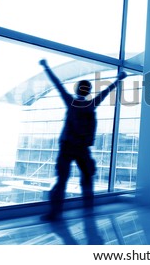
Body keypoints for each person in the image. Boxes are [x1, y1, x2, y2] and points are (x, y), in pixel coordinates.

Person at [39, 59, 127, 221]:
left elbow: (57, 84)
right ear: (88, 91)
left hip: (67, 146)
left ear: (77, 89)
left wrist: (46, 67)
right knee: (87, 179)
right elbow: (107, 91)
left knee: (62, 180)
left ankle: (55, 212)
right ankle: (88, 210)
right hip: (82, 148)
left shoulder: (71, 102)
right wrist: (119, 79)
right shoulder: (91, 104)